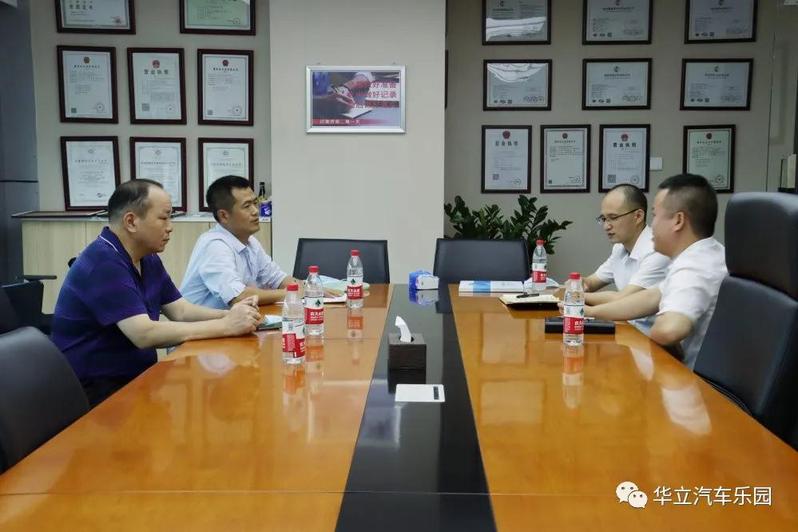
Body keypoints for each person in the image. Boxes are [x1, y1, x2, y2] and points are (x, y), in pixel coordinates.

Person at [52, 179, 261, 407]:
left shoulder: (147, 257)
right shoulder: (103, 262)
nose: (170, 227)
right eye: (163, 218)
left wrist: (231, 315)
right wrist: (226, 326)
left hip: (134, 379)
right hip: (96, 391)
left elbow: (180, 310)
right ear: (131, 221)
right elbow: (143, 334)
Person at [585, 174, 728, 369]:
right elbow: (650, 298)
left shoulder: (695, 266)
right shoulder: (703, 252)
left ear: (678, 221)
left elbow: (669, 330)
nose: (652, 226)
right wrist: (589, 312)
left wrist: (656, 330)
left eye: (655, 215)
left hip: (691, 380)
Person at [557, 184, 670, 333]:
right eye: (603, 219)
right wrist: (580, 284)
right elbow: (591, 282)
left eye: (613, 218)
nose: (606, 226)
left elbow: (623, 299)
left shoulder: (656, 250)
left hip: (650, 338)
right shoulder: (619, 248)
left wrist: (577, 296)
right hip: (626, 330)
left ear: (638, 216)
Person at [181, 175, 301, 309]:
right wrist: (290, 293)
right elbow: (238, 296)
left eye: (255, 203)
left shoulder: (250, 242)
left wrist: (307, 289)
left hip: (235, 319)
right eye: (247, 206)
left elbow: (277, 278)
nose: (255, 211)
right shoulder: (214, 246)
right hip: (206, 322)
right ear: (224, 215)